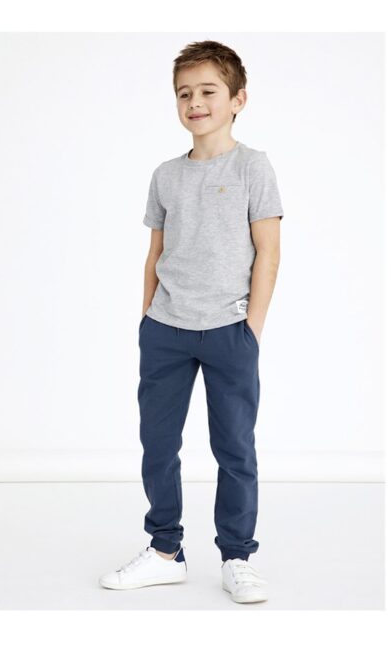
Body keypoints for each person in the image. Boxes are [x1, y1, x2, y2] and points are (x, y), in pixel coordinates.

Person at [99, 40, 284, 604]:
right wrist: (147, 319)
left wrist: (250, 330)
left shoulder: (253, 166)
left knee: (235, 448)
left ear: (238, 100)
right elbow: (155, 253)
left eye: (208, 91)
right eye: (185, 93)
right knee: (158, 444)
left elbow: (268, 252)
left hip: (230, 331)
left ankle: (237, 557)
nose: (195, 102)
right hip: (165, 330)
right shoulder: (165, 175)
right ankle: (165, 552)